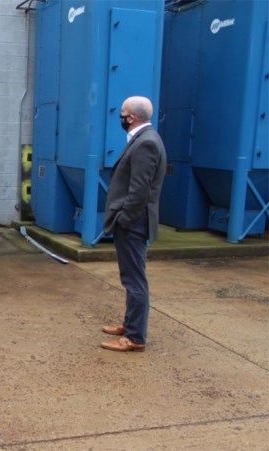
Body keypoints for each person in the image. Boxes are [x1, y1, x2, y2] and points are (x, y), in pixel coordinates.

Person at [101, 96, 167, 352]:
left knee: (135, 280)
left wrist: (124, 220)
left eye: (123, 113)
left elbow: (139, 191)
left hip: (133, 222)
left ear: (133, 118)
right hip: (132, 220)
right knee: (130, 276)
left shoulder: (146, 143)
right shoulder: (144, 139)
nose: (120, 116)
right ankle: (129, 325)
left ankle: (136, 337)